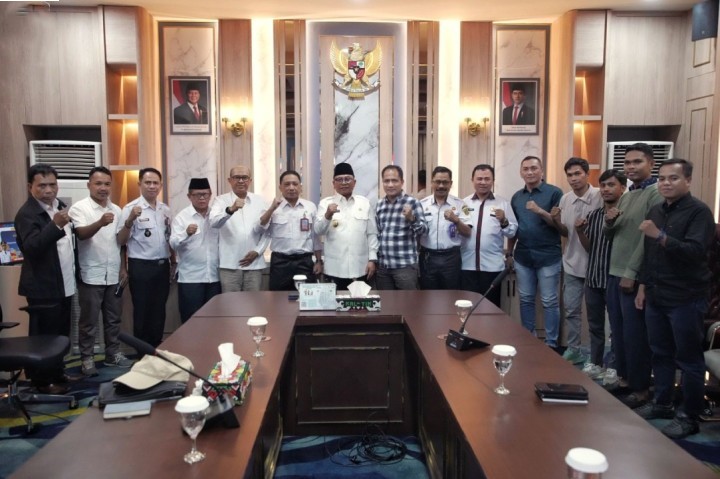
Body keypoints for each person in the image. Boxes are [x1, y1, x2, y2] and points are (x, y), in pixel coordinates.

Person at [633, 159, 716, 439]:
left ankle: (689, 416)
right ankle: (662, 403)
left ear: (688, 181)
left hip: (686, 297)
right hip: (656, 293)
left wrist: (660, 235)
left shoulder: (699, 212)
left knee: (689, 359)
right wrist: (643, 286)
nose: (666, 183)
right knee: (660, 352)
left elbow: (695, 252)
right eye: (662, 178)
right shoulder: (656, 210)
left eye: (673, 178)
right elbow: (649, 255)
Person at [603, 142, 663, 409]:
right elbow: (612, 235)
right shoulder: (627, 195)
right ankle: (625, 380)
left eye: (637, 162)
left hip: (633, 275)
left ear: (651, 163)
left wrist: (631, 273)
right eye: (627, 163)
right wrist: (609, 221)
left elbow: (647, 239)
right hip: (614, 271)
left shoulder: (655, 194)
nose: (630, 167)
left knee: (635, 335)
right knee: (618, 332)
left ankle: (640, 389)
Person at [15, 164, 76, 393]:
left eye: (52, 185)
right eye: (42, 186)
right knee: (45, 336)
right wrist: (55, 225)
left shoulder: (58, 207)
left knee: (61, 333)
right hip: (43, 286)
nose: (49, 190)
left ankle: (57, 372)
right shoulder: (27, 214)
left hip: (64, 283)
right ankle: (42, 381)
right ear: (30, 187)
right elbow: (32, 247)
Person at [69, 167, 133, 376]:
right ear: (89, 185)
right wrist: (99, 222)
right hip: (90, 274)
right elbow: (81, 234)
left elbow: (120, 242)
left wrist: (123, 268)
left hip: (113, 273)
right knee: (88, 321)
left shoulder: (117, 209)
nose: (103, 188)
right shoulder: (79, 208)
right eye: (98, 183)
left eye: (107, 184)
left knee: (113, 319)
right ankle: (87, 359)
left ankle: (112, 354)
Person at [575, 169, 627, 382]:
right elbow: (590, 247)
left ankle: (614, 365)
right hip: (593, 277)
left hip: (616, 279)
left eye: (611, 185)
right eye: (603, 185)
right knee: (595, 326)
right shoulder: (594, 215)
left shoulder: (626, 215)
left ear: (623, 188)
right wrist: (580, 232)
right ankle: (595, 363)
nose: (606, 189)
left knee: (617, 327)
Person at [508, 156, 563, 348]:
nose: (530, 172)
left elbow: (560, 225)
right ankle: (528, 339)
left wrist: (540, 211)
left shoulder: (554, 193)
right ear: (521, 172)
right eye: (526, 169)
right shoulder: (517, 197)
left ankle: (551, 342)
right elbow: (514, 228)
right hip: (523, 256)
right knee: (525, 299)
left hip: (548, 256)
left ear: (542, 171)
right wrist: (509, 253)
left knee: (549, 301)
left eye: (533, 168)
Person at [551, 158, 602, 365]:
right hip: (572, 263)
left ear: (587, 174)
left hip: (597, 266)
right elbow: (566, 232)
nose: (574, 178)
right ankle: (573, 349)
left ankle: (598, 356)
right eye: (570, 175)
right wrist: (555, 221)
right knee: (572, 310)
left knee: (596, 315)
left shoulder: (600, 195)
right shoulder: (565, 199)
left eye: (578, 173)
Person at [117, 167, 174, 348]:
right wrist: (130, 220)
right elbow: (121, 240)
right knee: (142, 312)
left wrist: (173, 263)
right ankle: (142, 353)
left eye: (155, 183)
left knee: (159, 311)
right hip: (141, 267)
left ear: (161, 186)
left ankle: (155, 350)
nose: (152, 186)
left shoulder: (165, 210)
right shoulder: (130, 209)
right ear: (139, 184)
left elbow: (169, 239)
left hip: (162, 267)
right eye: (147, 182)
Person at [460, 164, 517, 307]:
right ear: (472, 180)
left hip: (492, 267)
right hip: (467, 266)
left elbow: (512, 232)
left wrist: (503, 220)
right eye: (479, 179)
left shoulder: (503, 203)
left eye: (487, 179)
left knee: (490, 309)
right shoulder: (464, 203)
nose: (483, 182)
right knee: (468, 307)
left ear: (493, 181)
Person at [315, 163, 378, 291]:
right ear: (333, 183)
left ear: (354, 182)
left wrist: (372, 259)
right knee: (335, 303)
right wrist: (327, 215)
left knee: (360, 303)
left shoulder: (364, 203)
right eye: (339, 179)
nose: (344, 183)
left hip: (361, 268)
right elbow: (318, 230)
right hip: (334, 269)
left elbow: (371, 233)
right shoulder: (325, 203)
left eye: (347, 179)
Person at [259, 170, 323, 290]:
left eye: (295, 184)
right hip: (280, 262)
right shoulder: (271, 206)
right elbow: (261, 226)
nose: (291, 188)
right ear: (280, 187)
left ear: (300, 187)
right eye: (287, 184)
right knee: (278, 298)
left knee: (307, 296)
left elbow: (315, 236)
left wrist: (319, 261)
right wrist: (272, 209)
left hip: (304, 261)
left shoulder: (310, 207)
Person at [209, 165, 269, 292]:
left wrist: (258, 251)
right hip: (229, 265)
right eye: (237, 177)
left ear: (250, 181)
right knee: (231, 303)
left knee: (253, 302)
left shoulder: (260, 201)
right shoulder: (220, 200)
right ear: (229, 180)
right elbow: (213, 222)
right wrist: (230, 210)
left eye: (244, 177)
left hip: (254, 264)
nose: (241, 181)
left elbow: (268, 230)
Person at [169, 177, 221, 322]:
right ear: (189, 196)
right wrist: (186, 233)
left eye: (205, 194)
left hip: (214, 277)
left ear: (210, 195)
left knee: (213, 320)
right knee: (191, 320)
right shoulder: (182, 217)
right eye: (198, 195)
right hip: (190, 279)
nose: (202, 198)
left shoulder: (216, 217)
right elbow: (173, 244)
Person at [375, 165, 427, 290]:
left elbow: (424, 231)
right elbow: (377, 233)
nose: (390, 185)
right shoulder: (379, 204)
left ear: (402, 182)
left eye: (394, 181)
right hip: (383, 267)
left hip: (405, 266)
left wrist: (412, 218)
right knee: (386, 302)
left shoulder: (413, 202)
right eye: (386, 181)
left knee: (407, 302)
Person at [419, 166, 471, 290]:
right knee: (428, 295)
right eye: (438, 182)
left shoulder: (461, 205)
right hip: (428, 257)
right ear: (431, 183)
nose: (441, 186)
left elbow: (468, 232)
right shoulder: (422, 205)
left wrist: (456, 221)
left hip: (451, 258)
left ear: (450, 183)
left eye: (445, 182)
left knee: (451, 295)